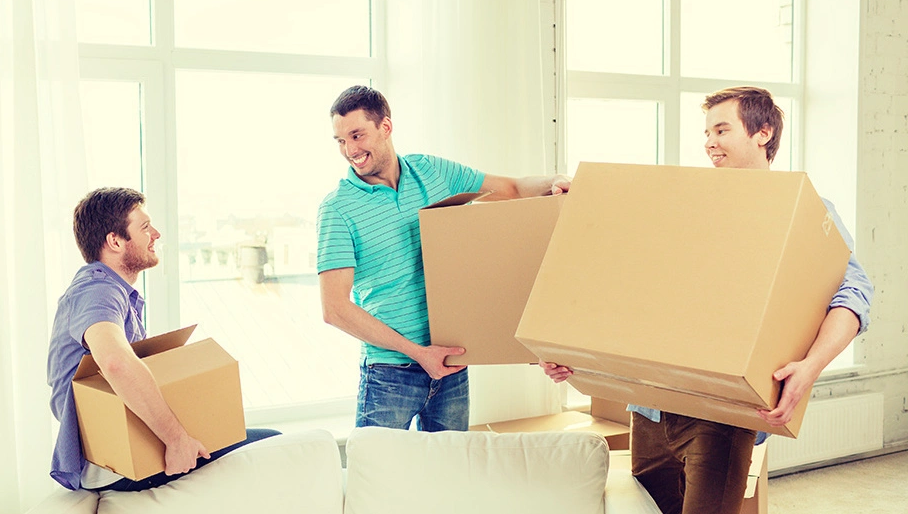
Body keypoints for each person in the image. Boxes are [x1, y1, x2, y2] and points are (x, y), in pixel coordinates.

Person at [540, 86, 874, 514]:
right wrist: (589, 204)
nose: (709, 143)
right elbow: (624, 280)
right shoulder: (685, 203)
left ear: (763, 133)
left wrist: (809, 368)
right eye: (706, 133)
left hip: (722, 412)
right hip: (650, 407)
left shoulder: (807, 211)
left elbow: (854, 295)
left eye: (721, 129)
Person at [318, 85, 569, 432]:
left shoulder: (431, 172)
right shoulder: (338, 209)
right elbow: (334, 309)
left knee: (450, 465)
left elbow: (511, 189)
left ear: (385, 126)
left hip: (450, 368)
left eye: (357, 135)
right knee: (379, 467)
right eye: (340, 141)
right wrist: (419, 353)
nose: (350, 150)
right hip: (389, 375)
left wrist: (556, 181)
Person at [47, 187, 279, 491]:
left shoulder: (111, 290)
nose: (155, 234)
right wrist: (177, 440)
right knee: (274, 446)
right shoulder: (96, 290)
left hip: (123, 448)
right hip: (113, 462)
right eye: (145, 227)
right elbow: (115, 361)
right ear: (115, 241)